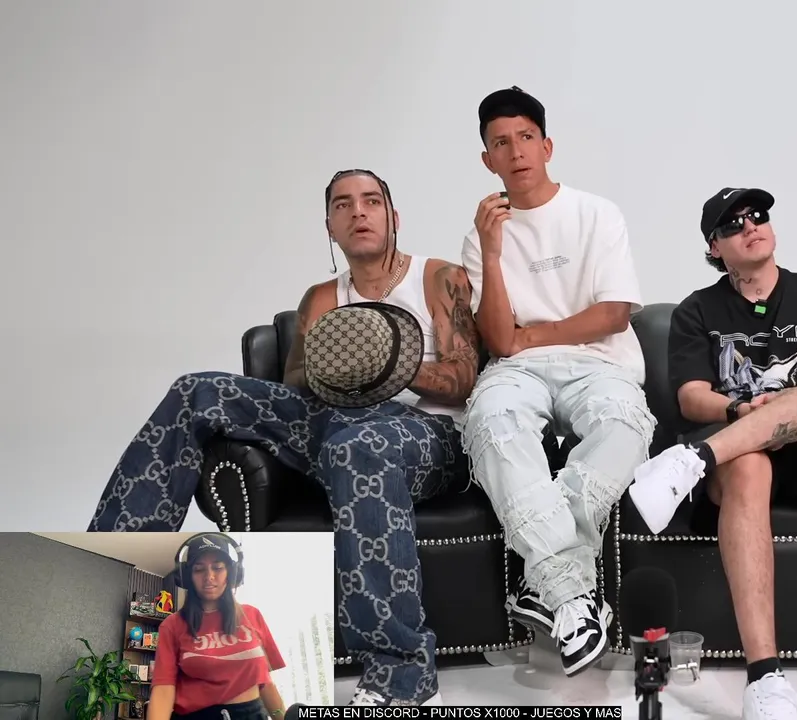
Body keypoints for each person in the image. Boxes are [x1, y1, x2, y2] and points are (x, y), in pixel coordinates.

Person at [88, 169, 480, 707]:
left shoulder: (439, 278)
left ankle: (401, 675)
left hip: (425, 434)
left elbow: (465, 380)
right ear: (330, 226)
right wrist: (338, 366)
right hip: (337, 416)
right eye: (343, 205)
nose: (358, 212)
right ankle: (111, 553)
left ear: (394, 217)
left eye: (371, 201)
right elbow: (295, 384)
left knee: (355, 448)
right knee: (196, 391)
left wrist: (393, 366)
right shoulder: (321, 298)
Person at [628, 188, 797, 720]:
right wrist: (742, 412)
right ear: (714, 247)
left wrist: (786, 410)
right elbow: (691, 396)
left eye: (758, 216)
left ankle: (693, 460)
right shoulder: (697, 310)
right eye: (732, 224)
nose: (750, 226)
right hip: (741, 453)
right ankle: (765, 679)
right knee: (747, 463)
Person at [458, 86, 656, 676]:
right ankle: (572, 595)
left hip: (601, 364)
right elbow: (501, 340)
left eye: (525, 138)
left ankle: (546, 581)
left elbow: (613, 314)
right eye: (501, 143)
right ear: (488, 160)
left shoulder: (597, 213)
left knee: (625, 424)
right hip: (517, 370)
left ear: (546, 147)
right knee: (490, 419)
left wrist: (535, 334)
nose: (515, 151)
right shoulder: (481, 235)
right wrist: (490, 252)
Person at [149, 533, 286, 720]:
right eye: (199, 569)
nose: (209, 576)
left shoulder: (252, 615)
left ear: (232, 572)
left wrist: (281, 716)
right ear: (187, 577)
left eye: (218, 567)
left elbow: (265, 681)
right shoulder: (172, 625)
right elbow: (163, 689)